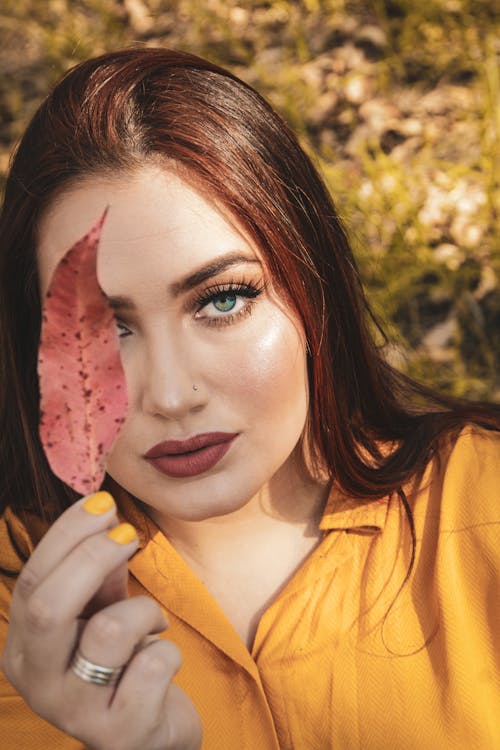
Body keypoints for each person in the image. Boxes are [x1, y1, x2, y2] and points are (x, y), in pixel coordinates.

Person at [0, 47, 499, 750]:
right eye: (104, 327)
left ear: (311, 282)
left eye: (223, 299)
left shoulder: (485, 505)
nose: (172, 396)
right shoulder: (20, 622)